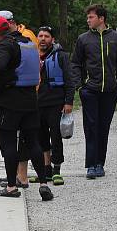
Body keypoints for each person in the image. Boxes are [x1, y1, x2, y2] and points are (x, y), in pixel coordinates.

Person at [0, 15, 53, 201]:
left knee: (8, 143)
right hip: (31, 99)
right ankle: (43, 184)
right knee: (33, 142)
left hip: (9, 102)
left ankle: (11, 187)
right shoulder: (28, 42)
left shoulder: (6, 45)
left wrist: (5, 83)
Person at [69, 4, 117, 179]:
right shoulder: (83, 39)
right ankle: (91, 165)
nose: (88, 20)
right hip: (90, 90)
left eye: (91, 17)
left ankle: (100, 163)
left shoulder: (116, 37)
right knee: (91, 127)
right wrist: (80, 86)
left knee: (104, 127)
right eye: (87, 18)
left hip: (110, 91)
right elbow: (75, 63)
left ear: (101, 19)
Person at [36, 26, 75, 185]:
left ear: (52, 39)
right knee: (41, 136)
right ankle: (46, 170)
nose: (43, 39)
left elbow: (69, 79)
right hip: (38, 102)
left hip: (56, 101)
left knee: (56, 136)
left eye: (46, 36)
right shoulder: (34, 56)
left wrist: (69, 101)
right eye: (40, 36)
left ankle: (57, 169)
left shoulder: (61, 56)